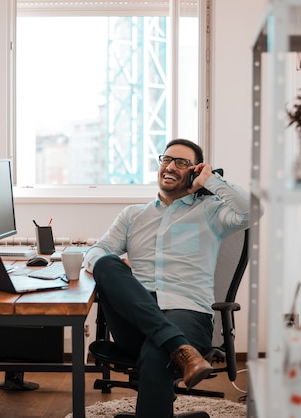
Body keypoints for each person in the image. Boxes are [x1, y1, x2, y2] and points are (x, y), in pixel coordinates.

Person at [84, 139, 253, 418]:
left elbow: (251, 210)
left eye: (182, 162)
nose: (171, 166)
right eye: (166, 159)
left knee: (156, 353)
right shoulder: (133, 215)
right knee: (106, 262)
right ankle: (180, 348)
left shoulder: (211, 212)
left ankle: (174, 346)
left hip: (188, 311)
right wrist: (122, 269)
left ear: (195, 171)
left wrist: (211, 181)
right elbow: (96, 252)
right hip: (134, 317)